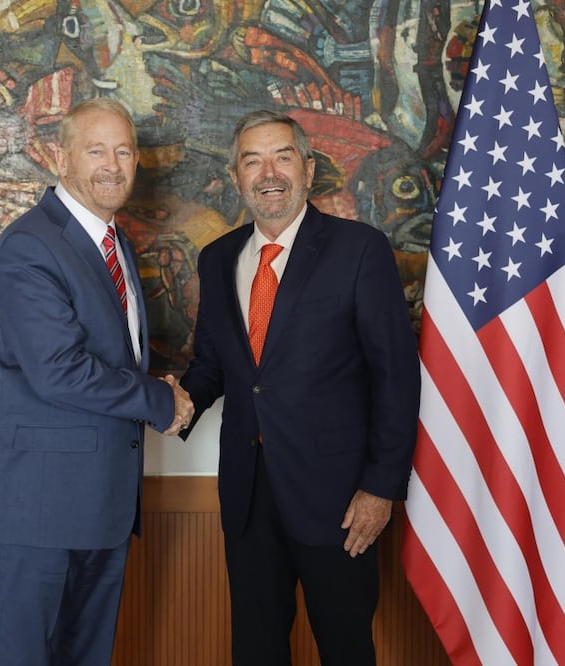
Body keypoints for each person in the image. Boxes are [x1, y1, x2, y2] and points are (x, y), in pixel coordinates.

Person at [180, 109, 421, 665]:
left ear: (308, 169)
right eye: (253, 161)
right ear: (236, 176)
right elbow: (214, 363)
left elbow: (396, 376)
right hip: (248, 494)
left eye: (282, 157)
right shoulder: (217, 259)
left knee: (346, 650)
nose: (269, 173)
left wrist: (381, 488)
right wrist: (179, 402)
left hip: (339, 498)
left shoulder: (360, 250)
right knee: (256, 651)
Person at [0, 97, 194, 666]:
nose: (112, 165)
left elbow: (113, 355)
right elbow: (59, 369)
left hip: (105, 502)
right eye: (96, 150)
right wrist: (160, 400)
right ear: (61, 159)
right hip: (42, 506)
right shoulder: (30, 245)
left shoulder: (114, 243)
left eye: (123, 151)